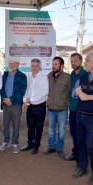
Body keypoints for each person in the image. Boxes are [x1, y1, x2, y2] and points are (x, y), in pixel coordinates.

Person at [72, 52, 93, 184]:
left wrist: (87, 96)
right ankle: (82, 167)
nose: (85, 63)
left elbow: (83, 94)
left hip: (92, 118)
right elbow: (75, 92)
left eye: (88, 60)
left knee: (91, 145)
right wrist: (78, 92)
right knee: (80, 142)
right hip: (80, 114)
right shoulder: (84, 76)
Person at [43, 56, 71, 158]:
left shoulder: (68, 77)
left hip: (62, 109)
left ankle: (60, 149)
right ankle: (52, 147)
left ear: (61, 66)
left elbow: (71, 92)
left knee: (62, 130)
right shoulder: (48, 77)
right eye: (53, 64)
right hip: (50, 108)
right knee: (51, 129)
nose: (53, 66)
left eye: (56, 64)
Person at [0, 57, 27, 154]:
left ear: (18, 65)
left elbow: (21, 91)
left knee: (16, 125)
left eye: (12, 63)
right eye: (9, 63)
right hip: (6, 104)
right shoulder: (5, 74)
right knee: (5, 125)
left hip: (16, 105)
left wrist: (11, 100)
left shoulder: (22, 76)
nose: (10, 65)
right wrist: (5, 99)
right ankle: (6, 142)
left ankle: (15, 143)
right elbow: (1, 88)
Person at [21, 59, 49, 154]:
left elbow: (45, 92)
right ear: (30, 67)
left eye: (37, 65)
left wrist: (30, 100)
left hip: (40, 106)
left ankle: (36, 145)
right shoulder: (28, 77)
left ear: (40, 67)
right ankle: (30, 144)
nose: (35, 67)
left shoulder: (43, 77)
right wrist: (25, 102)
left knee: (39, 127)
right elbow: (26, 91)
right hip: (30, 106)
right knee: (30, 126)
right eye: (33, 65)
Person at [64, 53, 87, 164]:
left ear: (81, 61)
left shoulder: (86, 74)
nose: (73, 63)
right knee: (74, 134)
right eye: (71, 61)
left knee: (82, 136)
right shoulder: (71, 74)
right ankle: (75, 153)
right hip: (72, 110)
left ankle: (82, 158)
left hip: (83, 112)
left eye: (75, 61)